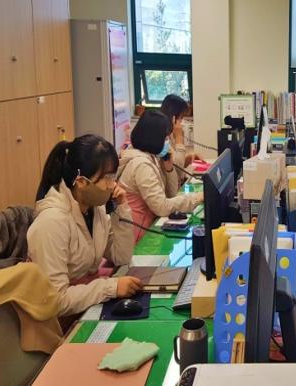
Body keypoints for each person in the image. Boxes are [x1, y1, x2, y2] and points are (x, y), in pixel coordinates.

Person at [27, 135, 142, 317]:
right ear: (81, 182)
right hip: (57, 321)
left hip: (86, 305)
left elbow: (122, 257)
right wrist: (110, 288)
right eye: (107, 178)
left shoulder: (94, 209)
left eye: (113, 176)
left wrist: (121, 208)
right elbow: (56, 300)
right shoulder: (52, 222)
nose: (113, 185)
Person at [118, 110, 203, 241]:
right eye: (165, 138)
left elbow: (171, 194)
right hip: (137, 235)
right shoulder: (142, 165)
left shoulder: (152, 157)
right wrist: (197, 198)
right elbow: (162, 207)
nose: (167, 141)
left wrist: (169, 168)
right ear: (154, 138)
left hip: (147, 227)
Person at [159, 94, 202, 184]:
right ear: (173, 117)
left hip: (176, 183)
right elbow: (177, 167)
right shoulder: (162, 137)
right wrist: (179, 137)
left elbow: (174, 164)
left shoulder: (170, 134)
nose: (182, 121)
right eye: (181, 117)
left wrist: (188, 159)